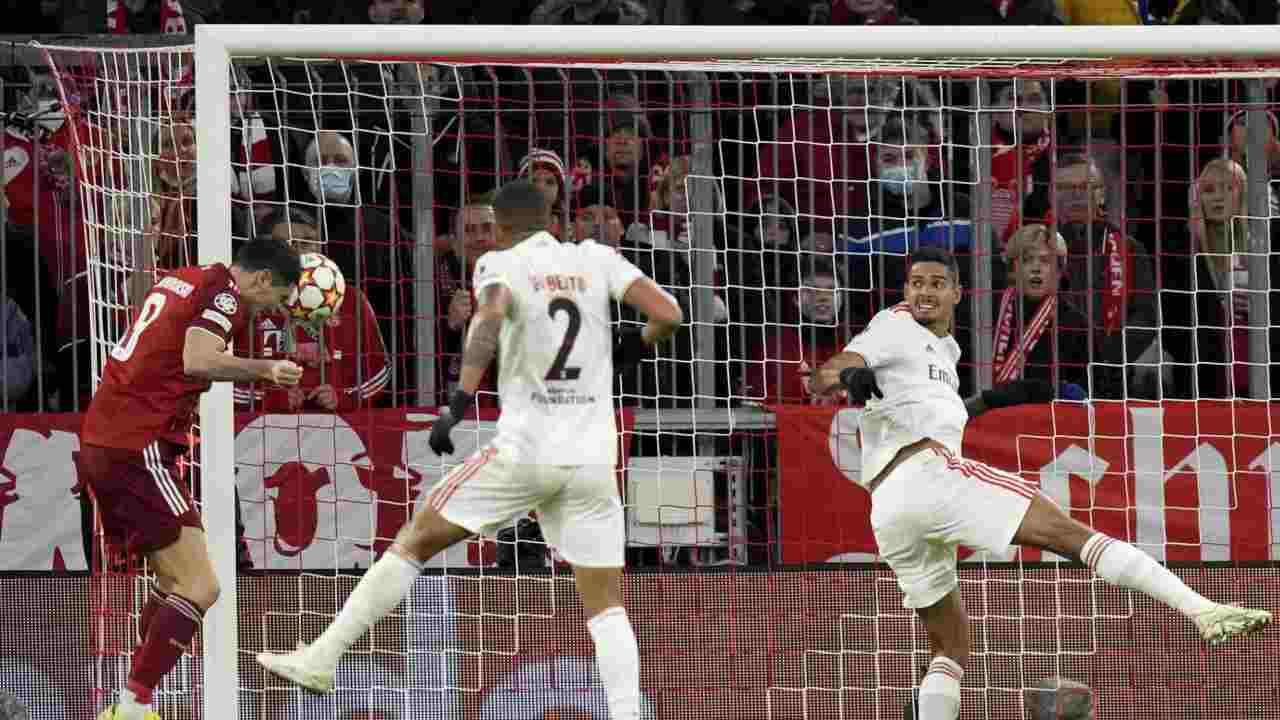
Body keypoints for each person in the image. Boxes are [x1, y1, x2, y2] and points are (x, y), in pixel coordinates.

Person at [256, 180, 684, 720]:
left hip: (526, 450)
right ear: (552, 217)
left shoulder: (499, 266)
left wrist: (459, 399)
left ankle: (322, 657)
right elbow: (669, 313)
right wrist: (634, 343)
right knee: (605, 605)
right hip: (593, 457)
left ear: (501, 229)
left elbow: (488, 320)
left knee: (416, 538)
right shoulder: (595, 257)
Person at [807, 247, 1271, 720]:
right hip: (928, 475)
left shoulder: (946, 351)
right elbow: (838, 366)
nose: (924, 292)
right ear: (905, 291)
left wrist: (983, 401)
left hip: (891, 508)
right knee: (1073, 537)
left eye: (935, 283)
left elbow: (927, 406)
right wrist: (846, 375)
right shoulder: (897, 323)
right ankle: (1201, 610)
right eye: (916, 283)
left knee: (950, 647)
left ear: (956, 292)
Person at [79, 236, 304, 720]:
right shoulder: (224, 295)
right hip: (135, 444)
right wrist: (264, 368)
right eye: (280, 298)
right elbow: (197, 359)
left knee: (173, 579)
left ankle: (135, 698)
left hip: (114, 438)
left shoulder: (186, 277)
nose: (278, 310)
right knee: (202, 587)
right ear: (262, 279)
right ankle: (134, 704)